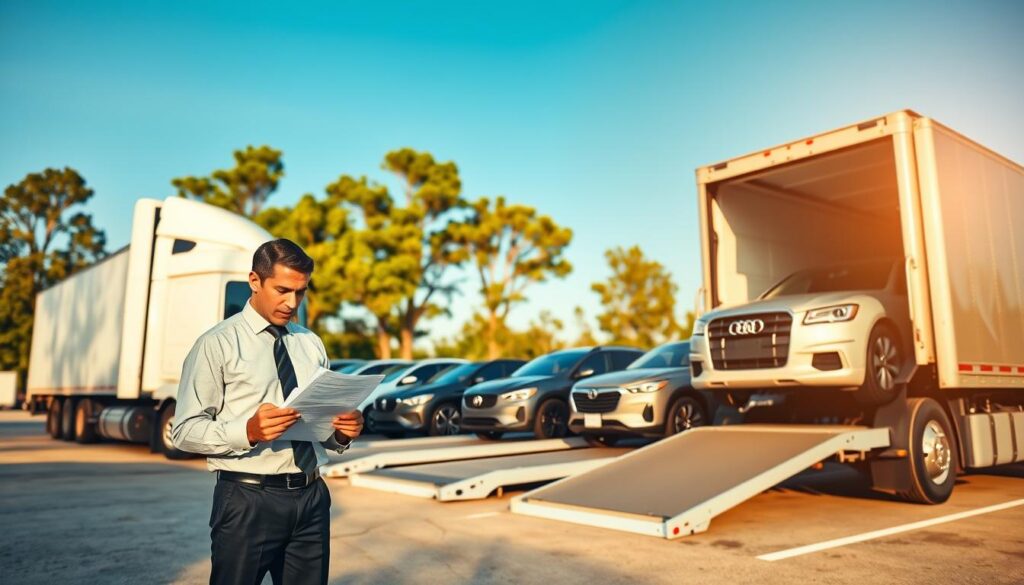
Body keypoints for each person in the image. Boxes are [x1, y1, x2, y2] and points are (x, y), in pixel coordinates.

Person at [171, 238, 364, 585]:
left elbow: (322, 429)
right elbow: (183, 430)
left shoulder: (310, 343)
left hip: (312, 497)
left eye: (301, 292)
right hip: (248, 500)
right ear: (255, 281)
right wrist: (247, 431)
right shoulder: (217, 344)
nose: (292, 303)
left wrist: (342, 433)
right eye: (283, 290)